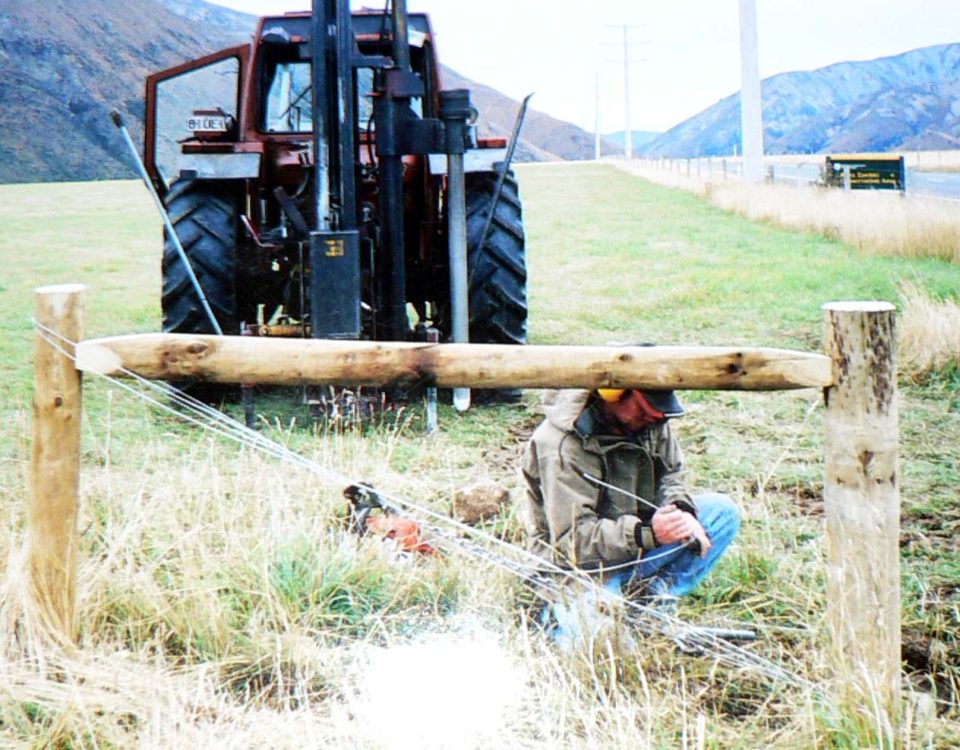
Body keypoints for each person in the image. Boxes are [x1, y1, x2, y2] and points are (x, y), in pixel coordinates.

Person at [521, 386, 739, 637]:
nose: (655, 420)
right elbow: (572, 543)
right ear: (611, 393)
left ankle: (650, 601)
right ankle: (563, 614)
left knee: (722, 514)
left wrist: (680, 511)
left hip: (636, 546)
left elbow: (671, 475)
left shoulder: (649, 421)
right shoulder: (561, 447)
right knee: (597, 643)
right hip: (579, 570)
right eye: (645, 410)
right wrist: (646, 533)